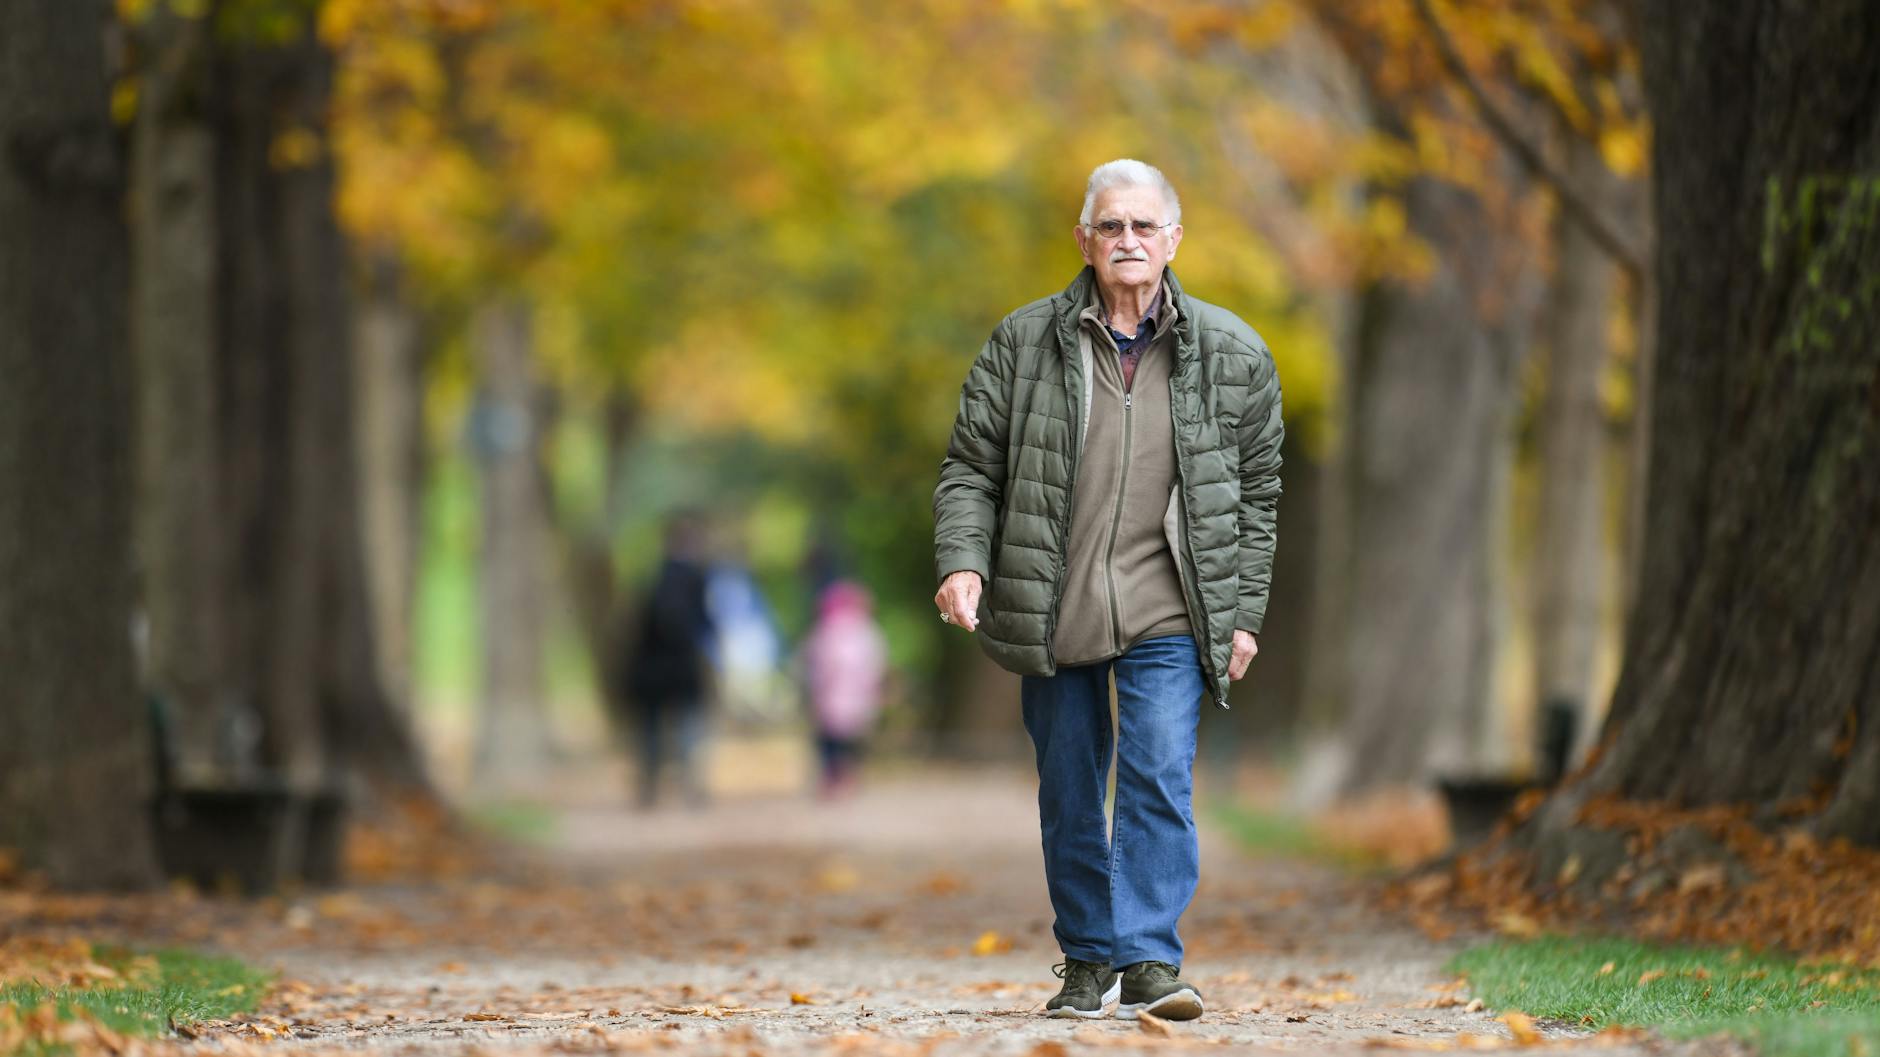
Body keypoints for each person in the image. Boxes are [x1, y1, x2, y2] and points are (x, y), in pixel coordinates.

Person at [932, 159, 1283, 1022]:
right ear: (1084, 241)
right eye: (1111, 226)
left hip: (1172, 603)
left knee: (1159, 770)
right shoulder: (1023, 343)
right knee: (1068, 783)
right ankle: (1088, 958)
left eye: (1144, 226)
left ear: (1173, 240)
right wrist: (963, 560)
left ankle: (1152, 958)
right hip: (1052, 597)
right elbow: (971, 469)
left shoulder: (1234, 354)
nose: (1128, 241)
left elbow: (1258, 495)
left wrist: (1240, 614)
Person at [623, 511, 716, 809]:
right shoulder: (698, 580)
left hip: (650, 669)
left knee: (651, 728)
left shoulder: (651, 579)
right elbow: (707, 625)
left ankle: (649, 786)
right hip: (683, 667)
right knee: (688, 724)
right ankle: (691, 785)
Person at [800, 579, 890, 799]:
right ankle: (847, 778)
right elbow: (876, 665)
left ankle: (832, 779)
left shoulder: (824, 631)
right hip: (858, 699)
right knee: (851, 743)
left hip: (829, 697)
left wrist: (814, 692)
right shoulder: (867, 632)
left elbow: (811, 664)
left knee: (829, 742)